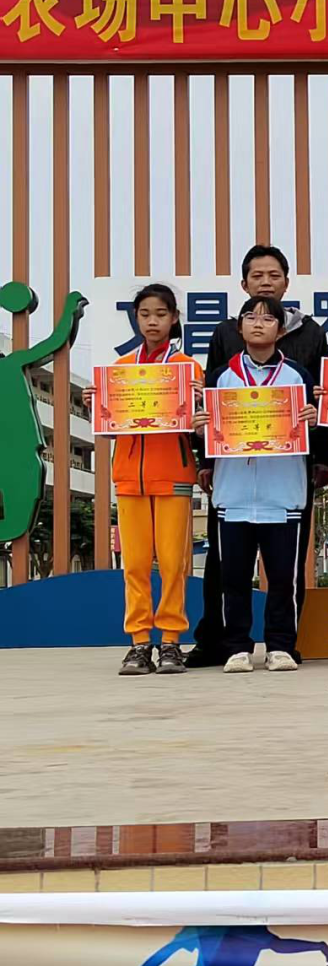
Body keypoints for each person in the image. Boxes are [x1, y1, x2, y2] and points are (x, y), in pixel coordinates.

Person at [185, 245, 328, 668]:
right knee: (232, 576)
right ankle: (236, 646)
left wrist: (314, 422)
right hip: (232, 492)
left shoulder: (298, 376)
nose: (259, 323)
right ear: (240, 325)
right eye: (252, 317)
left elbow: (320, 415)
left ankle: (282, 644)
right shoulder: (221, 377)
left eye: (268, 319)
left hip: (284, 491)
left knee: (283, 576)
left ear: (281, 330)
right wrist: (203, 442)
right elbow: (207, 422)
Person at [83, 284, 201, 676]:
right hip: (129, 477)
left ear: (174, 318)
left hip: (173, 476)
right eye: (146, 314)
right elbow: (110, 430)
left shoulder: (188, 368)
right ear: (135, 318)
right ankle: (138, 643)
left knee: (172, 564)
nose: (153, 321)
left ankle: (170, 641)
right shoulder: (119, 370)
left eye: (161, 314)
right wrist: (96, 406)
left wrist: (198, 400)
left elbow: (197, 426)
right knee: (133, 564)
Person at [0, 282, 86, 544]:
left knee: (23, 483)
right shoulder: (13, 364)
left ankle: (13, 525)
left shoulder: (13, 363)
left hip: (19, 444)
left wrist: (71, 314)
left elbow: (55, 343)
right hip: (17, 444)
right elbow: (53, 344)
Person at [117, 926, 328, 966]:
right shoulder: (198, 932)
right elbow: (165, 953)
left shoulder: (243, 932)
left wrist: (318, 946)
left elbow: (278, 946)